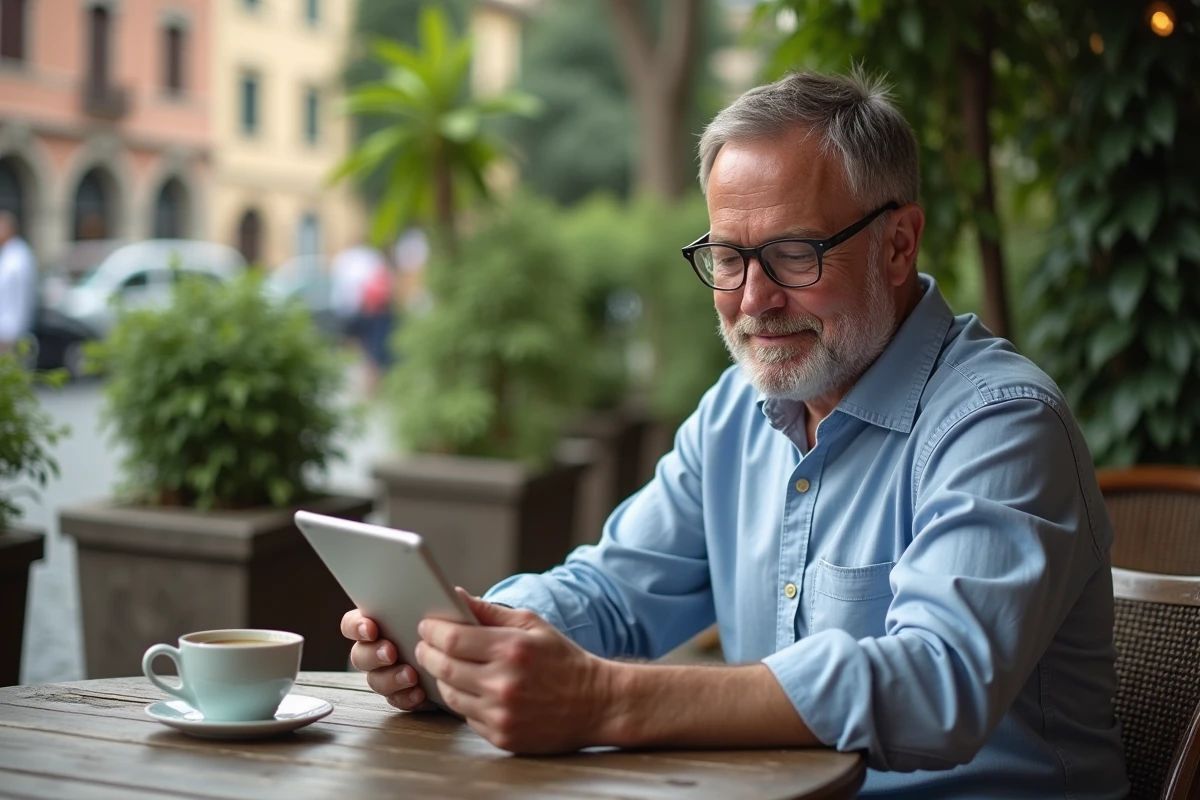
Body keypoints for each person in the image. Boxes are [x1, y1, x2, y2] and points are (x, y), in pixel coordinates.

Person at [340, 70, 1127, 798]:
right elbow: (613, 594)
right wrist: (469, 638)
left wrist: (600, 699)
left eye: (792, 253)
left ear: (897, 244)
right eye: (727, 256)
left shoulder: (1001, 422)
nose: (753, 299)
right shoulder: (735, 412)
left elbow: (934, 685)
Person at [0, 211, 37, 357]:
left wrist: (15, 330)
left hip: (10, 329)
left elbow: (20, 297)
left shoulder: (18, 256)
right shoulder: (9, 253)